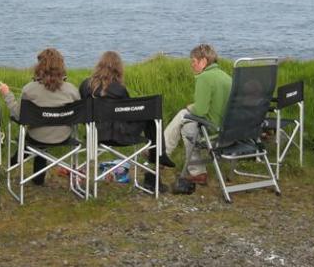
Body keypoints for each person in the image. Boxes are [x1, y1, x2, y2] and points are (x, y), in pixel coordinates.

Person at [80, 50, 174, 187]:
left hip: (94, 135)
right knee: (151, 115)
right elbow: (128, 114)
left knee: (148, 115)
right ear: (118, 69)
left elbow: (82, 112)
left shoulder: (85, 85)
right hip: (120, 136)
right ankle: (158, 155)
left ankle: (158, 155)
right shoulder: (119, 89)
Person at [0, 48, 81, 186]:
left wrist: (7, 94)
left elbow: (18, 116)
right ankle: (37, 178)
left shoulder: (29, 89)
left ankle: (12, 165)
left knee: (35, 136)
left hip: (37, 136)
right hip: (63, 136)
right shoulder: (71, 90)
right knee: (41, 133)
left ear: (39, 66)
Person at [163, 43, 232, 195]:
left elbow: (200, 111)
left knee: (185, 120)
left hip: (213, 129)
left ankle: (162, 153)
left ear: (203, 61)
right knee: (187, 122)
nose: (192, 65)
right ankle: (167, 155)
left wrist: (190, 108)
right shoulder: (226, 77)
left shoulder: (204, 78)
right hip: (229, 130)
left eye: (193, 61)